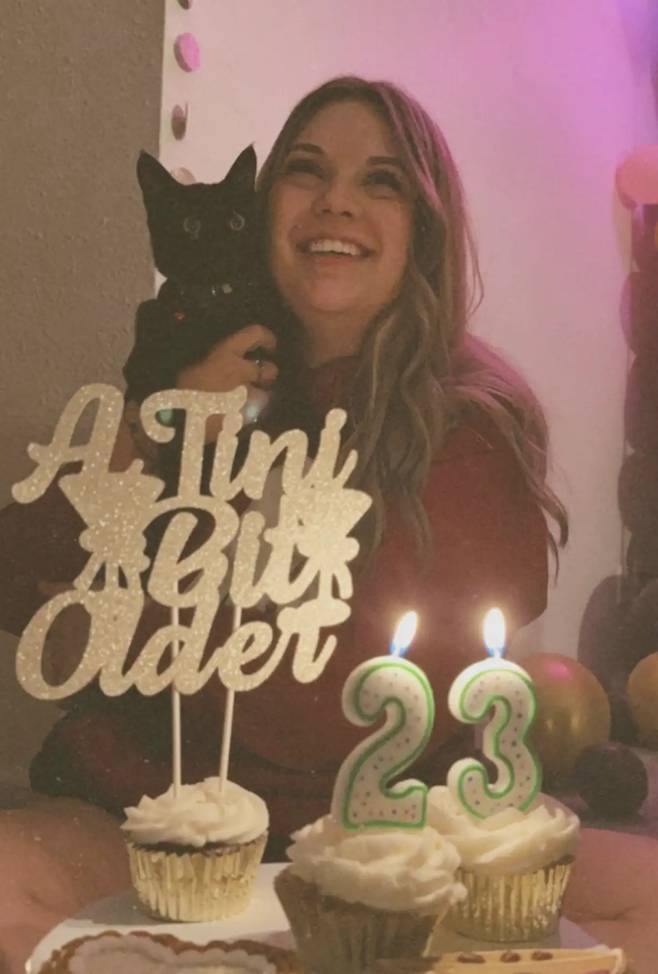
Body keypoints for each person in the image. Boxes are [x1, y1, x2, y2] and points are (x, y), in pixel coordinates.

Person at [0, 76, 568, 968]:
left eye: (381, 180)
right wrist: (159, 422)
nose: (336, 200)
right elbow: (14, 577)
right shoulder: (198, 373)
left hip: (374, 845)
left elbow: (324, 714)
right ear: (264, 212)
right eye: (306, 170)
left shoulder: (467, 432)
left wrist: (117, 623)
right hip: (142, 813)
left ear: (424, 230)